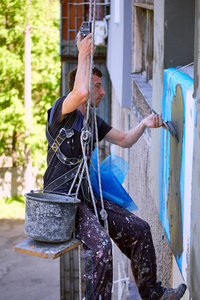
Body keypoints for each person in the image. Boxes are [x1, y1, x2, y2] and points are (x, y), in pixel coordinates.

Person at [43, 32, 187, 300]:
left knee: (140, 230)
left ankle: (152, 292)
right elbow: (81, 92)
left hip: (85, 198)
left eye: (100, 86)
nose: (102, 91)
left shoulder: (93, 122)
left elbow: (123, 140)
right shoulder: (61, 111)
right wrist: (83, 52)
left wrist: (144, 124)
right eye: (97, 86)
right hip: (61, 203)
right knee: (100, 247)